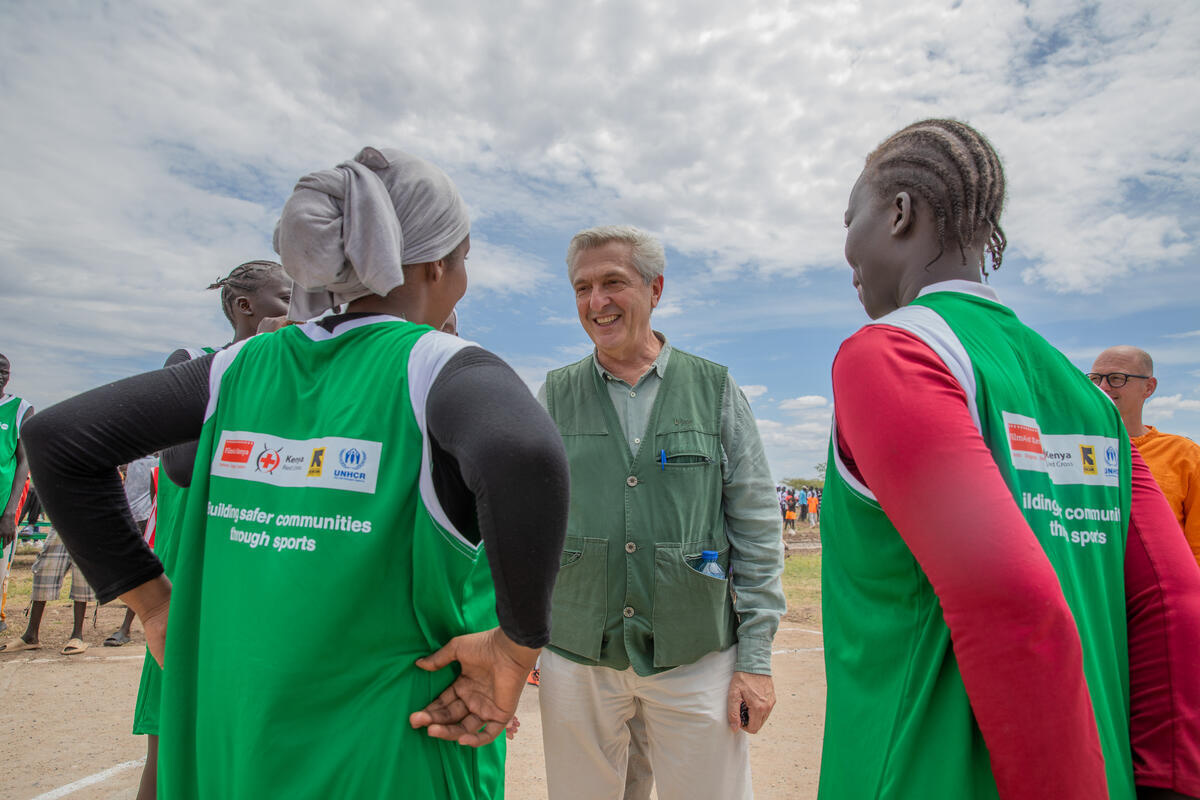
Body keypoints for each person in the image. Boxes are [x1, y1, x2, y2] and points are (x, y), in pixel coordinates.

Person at [23, 146, 569, 799]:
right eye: (467, 258)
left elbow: (57, 440)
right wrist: (516, 646)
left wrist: (154, 603)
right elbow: (528, 456)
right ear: (435, 263)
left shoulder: (239, 370)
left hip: (234, 741)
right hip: (383, 748)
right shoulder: (433, 369)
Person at [822, 118, 1200, 799]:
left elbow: (1011, 600)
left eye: (852, 220)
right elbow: (1172, 601)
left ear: (900, 213)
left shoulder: (893, 355)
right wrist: (1163, 781)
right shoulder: (1085, 399)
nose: (846, 248)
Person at [537, 225, 785, 800]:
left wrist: (754, 659)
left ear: (655, 289)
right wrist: (524, 636)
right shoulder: (554, 393)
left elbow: (755, 526)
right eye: (582, 288)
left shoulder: (715, 389)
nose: (596, 302)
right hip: (578, 655)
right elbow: (529, 524)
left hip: (695, 653)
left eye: (613, 283)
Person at [127, 259, 293, 799]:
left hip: (254, 570)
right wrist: (252, 365)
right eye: (285, 300)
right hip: (191, 575)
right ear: (244, 307)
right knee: (172, 739)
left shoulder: (290, 372)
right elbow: (179, 464)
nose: (298, 312)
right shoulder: (198, 362)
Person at [1090, 346, 1200, 567]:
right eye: (1094, 379)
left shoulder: (1184, 455)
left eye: (1116, 378)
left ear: (1149, 387)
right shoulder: (1074, 448)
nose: (1102, 387)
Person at [106, 455, 158, 647]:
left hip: (148, 520)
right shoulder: (135, 456)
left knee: (142, 574)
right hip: (130, 515)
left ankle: (125, 628)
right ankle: (126, 627)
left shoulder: (161, 461)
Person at [0, 354, 34, 634]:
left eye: (5, 372)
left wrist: (11, 511)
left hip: (2, 506)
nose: (2, 376)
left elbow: (24, 461)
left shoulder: (20, 409)